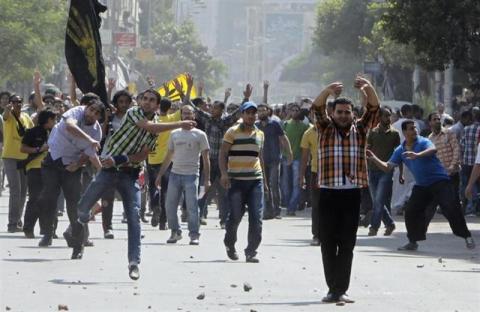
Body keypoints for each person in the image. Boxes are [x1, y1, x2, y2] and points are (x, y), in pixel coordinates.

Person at [69, 89, 196, 281]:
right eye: (144, 99)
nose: (147, 102)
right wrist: (180, 123)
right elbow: (149, 126)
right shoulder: (134, 112)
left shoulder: (157, 129)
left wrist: (119, 159)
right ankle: (77, 229)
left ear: (157, 105)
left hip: (129, 174)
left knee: (134, 217)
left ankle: (134, 263)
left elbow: (142, 155)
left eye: (152, 100)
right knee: (82, 208)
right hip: (108, 171)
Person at [312, 77, 380, 304]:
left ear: (353, 114)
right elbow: (317, 107)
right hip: (328, 192)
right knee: (328, 242)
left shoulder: (360, 130)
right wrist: (328, 90)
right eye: (339, 112)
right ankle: (332, 289)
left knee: (347, 243)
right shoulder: (324, 128)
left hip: (352, 193)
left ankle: (342, 288)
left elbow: (373, 108)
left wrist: (368, 87)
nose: (343, 115)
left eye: (347, 112)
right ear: (333, 114)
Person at [367, 120, 475, 251]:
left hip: (440, 182)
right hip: (422, 186)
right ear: (404, 132)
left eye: (415, 128)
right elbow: (387, 167)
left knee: (451, 208)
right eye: (411, 129)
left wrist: (417, 155)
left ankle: (466, 236)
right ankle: (413, 241)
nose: (415, 131)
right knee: (411, 211)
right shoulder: (400, 150)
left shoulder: (423, 141)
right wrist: (374, 159)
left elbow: (433, 149)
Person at [36, 95, 104, 247]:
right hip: (53, 160)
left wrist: (80, 164)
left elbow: (90, 154)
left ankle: (77, 238)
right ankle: (47, 234)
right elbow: (70, 126)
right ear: (86, 107)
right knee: (49, 199)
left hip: (71, 166)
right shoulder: (76, 112)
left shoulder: (96, 131)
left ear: (99, 116)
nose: (91, 114)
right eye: (90, 109)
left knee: (74, 204)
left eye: (96, 113)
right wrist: (89, 140)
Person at [156, 105, 210, 245]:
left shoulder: (200, 135)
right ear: (181, 115)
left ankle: (194, 234)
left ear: (194, 116)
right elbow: (169, 156)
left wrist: (207, 179)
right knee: (169, 205)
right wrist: (160, 174)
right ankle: (175, 232)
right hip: (175, 174)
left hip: (192, 175)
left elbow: (206, 158)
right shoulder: (174, 134)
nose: (186, 116)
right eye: (184, 113)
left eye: (189, 113)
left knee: (192, 207)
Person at [220, 101, 266, 263]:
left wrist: (264, 182)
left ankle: (251, 251)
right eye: (248, 112)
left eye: (254, 113)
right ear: (242, 114)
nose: (251, 115)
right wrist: (224, 174)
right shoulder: (231, 132)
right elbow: (223, 154)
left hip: (255, 181)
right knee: (235, 216)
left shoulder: (260, 134)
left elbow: (259, 158)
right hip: (236, 181)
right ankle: (229, 243)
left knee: (256, 217)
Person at [20, 110, 57, 239]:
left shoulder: (56, 133)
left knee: (51, 199)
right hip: (35, 168)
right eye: (53, 120)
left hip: (52, 169)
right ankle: (28, 228)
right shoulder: (32, 132)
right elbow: (23, 148)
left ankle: (48, 230)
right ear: (48, 120)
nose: (55, 122)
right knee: (35, 198)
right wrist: (38, 149)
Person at [3, 94, 34, 233]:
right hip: (10, 157)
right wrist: (7, 109)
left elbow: (32, 130)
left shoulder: (26, 117)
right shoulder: (8, 116)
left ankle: (17, 220)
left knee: (23, 191)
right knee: (15, 190)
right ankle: (12, 223)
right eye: (14, 102)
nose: (18, 104)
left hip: (24, 158)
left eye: (20, 102)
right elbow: (4, 116)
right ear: (10, 103)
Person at [147, 96, 180, 231]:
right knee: (165, 190)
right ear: (170, 108)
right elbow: (184, 105)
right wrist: (186, 90)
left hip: (151, 158)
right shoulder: (172, 119)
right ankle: (163, 222)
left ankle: (155, 206)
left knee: (153, 186)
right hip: (167, 161)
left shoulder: (153, 121)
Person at [366, 106, 399, 236]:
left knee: (379, 200)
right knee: (377, 201)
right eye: (385, 115)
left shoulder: (395, 134)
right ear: (379, 117)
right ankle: (390, 224)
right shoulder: (372, 133)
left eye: (389, 115)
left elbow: (398, 154)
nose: (388, 118)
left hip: (386, 171)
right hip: (372, 170)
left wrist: (400, 172)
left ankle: (374, 227)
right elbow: (367, 152)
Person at [256, 103, 292, 220]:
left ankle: (277, 210)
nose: (261, 112)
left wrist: (289, 153)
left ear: (268, 111)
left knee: (274, 184)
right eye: (259, 111)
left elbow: (283, 138)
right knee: (265, 186)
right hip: (261, 160)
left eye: (263, 110)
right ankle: (268, 210)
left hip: (274, 159)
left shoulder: (275, 124)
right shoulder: (256, 125)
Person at [427, 112, 461, 221]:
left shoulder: (449, 133)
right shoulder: (430, 139)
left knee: (454, 198)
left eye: (438, 119)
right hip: (439, 175)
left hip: (452, 173)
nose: (437, 121)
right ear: (430, 123)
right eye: (434, 119)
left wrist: (452, 166)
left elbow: (456, 149)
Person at [281, 103, 309, 216]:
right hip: (285, 157)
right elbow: (280, 139)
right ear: (290, 112)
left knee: (296, 184)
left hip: (298, 158)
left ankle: (291, 207)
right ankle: (288, 205)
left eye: (297, 110)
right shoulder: (285, 124)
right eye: (293, 110)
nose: (295, 112)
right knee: (285, 184)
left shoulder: (304, 126)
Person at [299, 118, 320, 245]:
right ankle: (316, 235)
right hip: (316, 172)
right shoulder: (308, 133)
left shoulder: (334, 130)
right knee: (316, 205)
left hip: (333, 173)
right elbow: (304, 157)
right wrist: (301, 176)